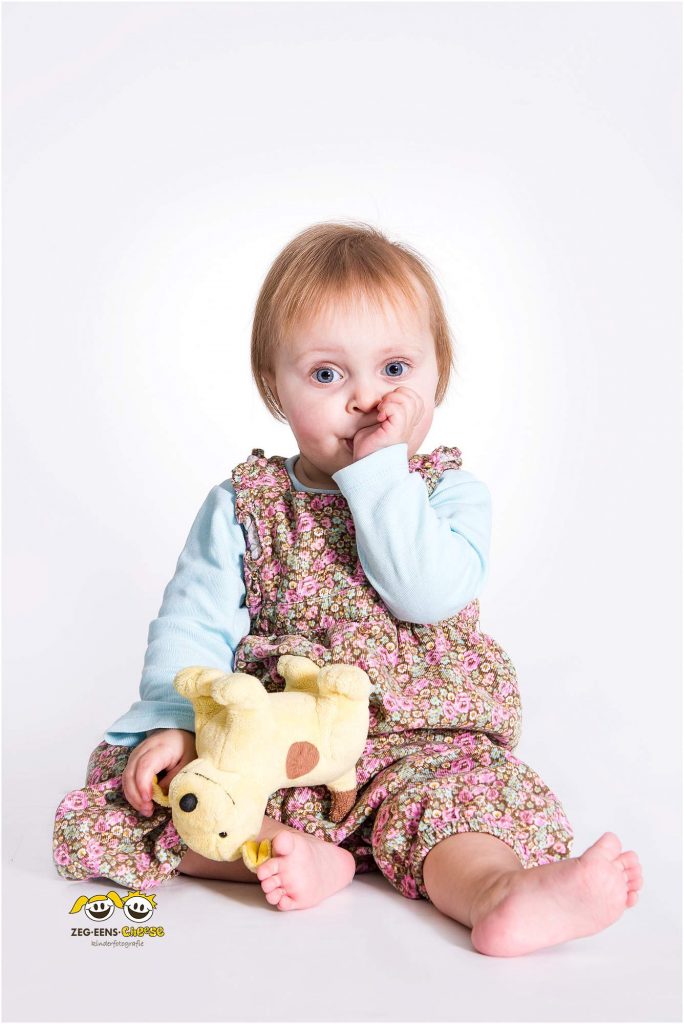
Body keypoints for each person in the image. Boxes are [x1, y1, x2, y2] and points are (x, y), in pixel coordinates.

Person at [53, 221, 642, 956]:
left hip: (415, 745)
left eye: (395, 370)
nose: (367, 399)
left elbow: (423, 595)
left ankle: (499, 894)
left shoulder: (447, 492)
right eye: (328, 376)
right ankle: (285, 850)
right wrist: (176, 722)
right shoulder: (246, 502)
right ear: (276, 387)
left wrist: (380, 474)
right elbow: (193, 620)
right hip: (275, 744)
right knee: (131, 796)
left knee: (461, 810)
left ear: (438, 377)